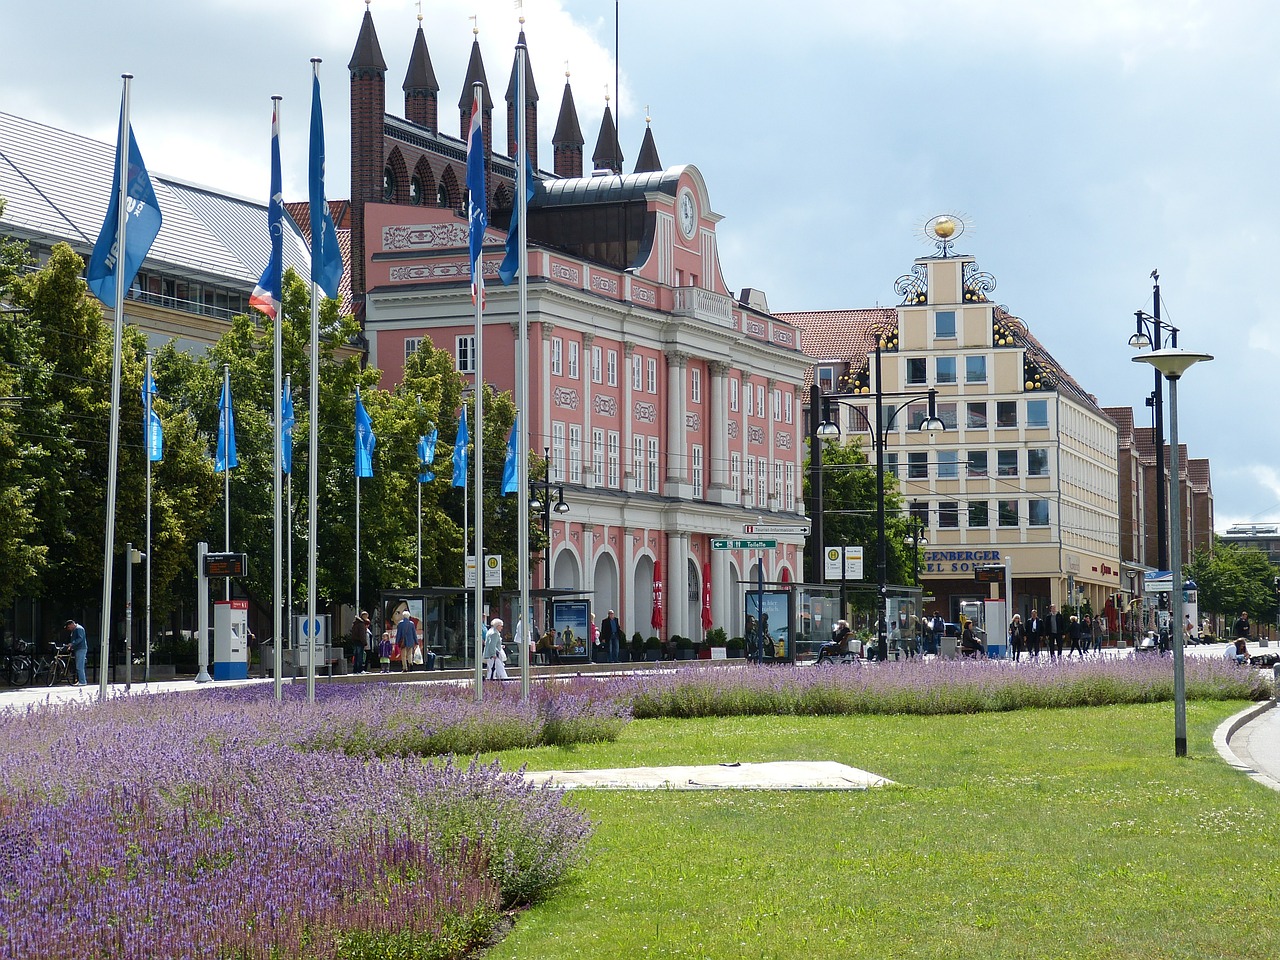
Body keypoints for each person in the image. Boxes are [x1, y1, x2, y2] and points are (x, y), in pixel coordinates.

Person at [64, 619, 88, 686]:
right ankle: (80, 680)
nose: (69, 629)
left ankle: (83, 681)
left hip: (81, 649)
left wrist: (72, 644)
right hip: (78, 648)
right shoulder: (76, 629)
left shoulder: (78, 629)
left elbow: (80, 638)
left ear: (71, 624)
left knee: (79, 666)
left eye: (69, 627)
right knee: (79, 665)